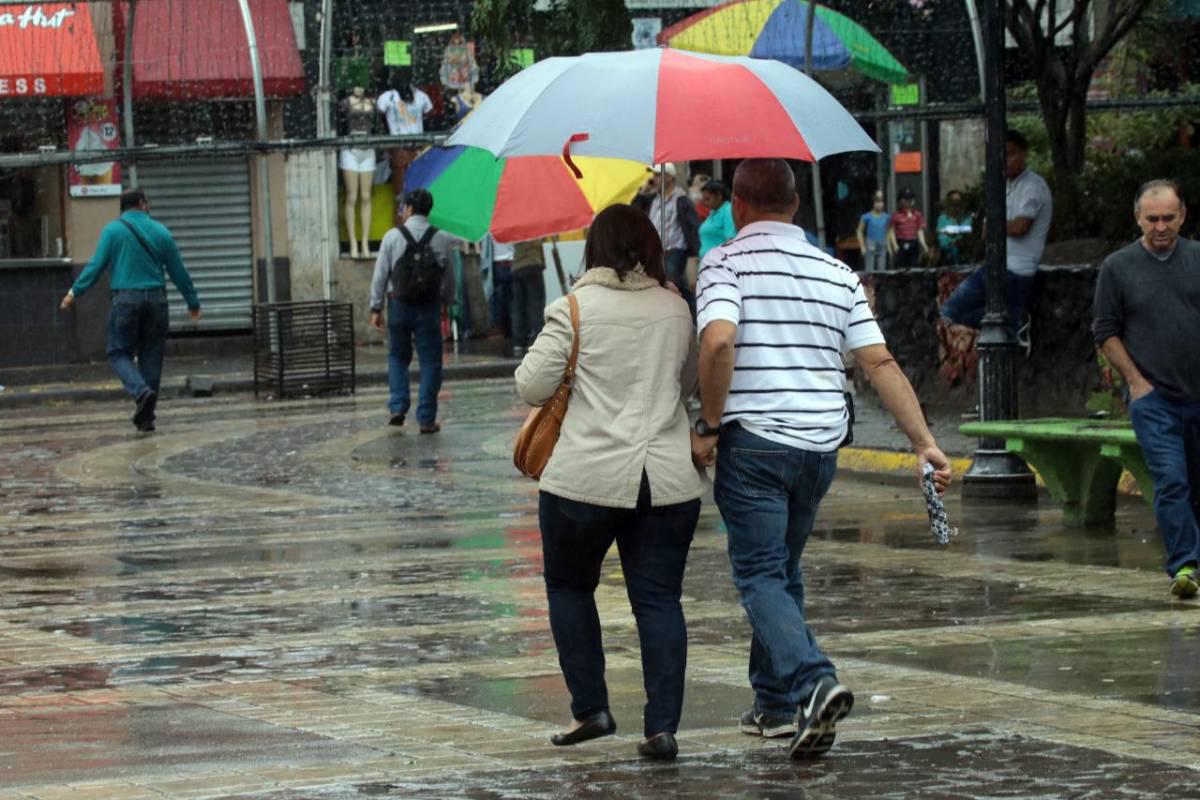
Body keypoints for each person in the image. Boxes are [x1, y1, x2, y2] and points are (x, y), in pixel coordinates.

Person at [692, 159, 952, 760]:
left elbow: (718, 340)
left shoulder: (724, 261)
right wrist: (923, 442)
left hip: (754, 443)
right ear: (795, 207)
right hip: (820, 447)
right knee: (780, 570)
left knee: (759, 574)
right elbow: (879, 363)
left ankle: (813, 681)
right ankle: (776, 705)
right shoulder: (836, 271)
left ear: (736, 204)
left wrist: (708, 422)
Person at [515, 204, 703, 762]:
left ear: (592, 250)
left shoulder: (573, 308)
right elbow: (688, 382)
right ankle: (661, 727)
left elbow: (530, 385)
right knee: (659, 601)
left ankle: (590, 707)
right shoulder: (677, 308)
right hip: (666, 484)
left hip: (582, 483)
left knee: (570, 588)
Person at [1093, 179, 1200, 599]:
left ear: (1183, 216)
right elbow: (1105, 331)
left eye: (1168, 218)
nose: (1160, 227)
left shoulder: (1196, 259)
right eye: (1152, 218)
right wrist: (1137, 383)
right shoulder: (1118, 268)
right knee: (1172, 480)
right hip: (1154, 400)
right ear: (1138, 218)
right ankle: (1185, 565)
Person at [59, 189, 201, 433]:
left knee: (117, 351)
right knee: (151, 355)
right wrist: (192, 302)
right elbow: (178, 271)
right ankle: (147, 418)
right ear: (142, 204)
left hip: (126, 300)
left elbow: (96, 266)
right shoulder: (161, 232)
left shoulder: (112, 231)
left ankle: (140, 392)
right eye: (148, 202)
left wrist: (74, 293)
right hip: (157, 300)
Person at [941, 130, 1052, 334]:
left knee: (955, 310)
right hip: (998, 266)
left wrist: (996, 225)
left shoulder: (1033, 186)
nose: (1006, 161)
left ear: (1023, 154)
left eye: (1010, 154)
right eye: (1002, 155)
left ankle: (1014, 320)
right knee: (951, 311)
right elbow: (986, 232)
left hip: (1017, 270)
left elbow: (1020, 227)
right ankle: (1014, 319)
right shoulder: (1003, 186)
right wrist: (997, 226)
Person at [369, 189, 457, 433]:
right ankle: (426, 419)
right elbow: (450, 276)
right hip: (429, 309)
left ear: (408, 208)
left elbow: (380, 275)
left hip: (399, 305)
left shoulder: (392, 237)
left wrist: (375, 307)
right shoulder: (441, 238)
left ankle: (398, 407)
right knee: (430, 362)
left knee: (397, 356)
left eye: (402, 207)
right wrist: (448, 303)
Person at [633, 163, 701, 314]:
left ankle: (692, 315)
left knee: (674, 286)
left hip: (674, 250)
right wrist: (643, 192)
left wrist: (694, 254)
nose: (654, 178)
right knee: (665, 287)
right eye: (654, 175)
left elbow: (693, 227)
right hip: (655, 251)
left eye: (658, 175)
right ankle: (684, 314)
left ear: (669, 177)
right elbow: (633, 212)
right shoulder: (652, 199)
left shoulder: (681, 200)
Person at [377, 72, 433, 200]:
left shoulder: (421, 97)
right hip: (399, 148)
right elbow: (380, 114)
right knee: (400, 194)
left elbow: (428, 115)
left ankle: (412, 217)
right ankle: (401, 218)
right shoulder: (388, 97)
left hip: (417, 148)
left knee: (419, 191)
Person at [510, 237, 547, 358]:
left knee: (518, 306)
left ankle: (518, 342)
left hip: (516, 266)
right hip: (533, 263)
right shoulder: (534, 225)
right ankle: (538, 338)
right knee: (536, 305)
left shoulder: (515, 225)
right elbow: (543, 238)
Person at [887, 188, 927, 268]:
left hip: (914, 241)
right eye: (906, 199)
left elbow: (919, 230)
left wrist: (923, 243)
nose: (909, 201)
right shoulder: (896, 216)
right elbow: (891, 231)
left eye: (911, 198)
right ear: (900, 201)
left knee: (915, 264)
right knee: (901, 265)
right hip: (901, 242)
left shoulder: (917, 215)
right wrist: (894, 244)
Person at [698, 179, 737, 259]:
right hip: (707, 262)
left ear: (719, 196)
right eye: (704, 200)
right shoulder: (713, 212)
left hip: (718, 264)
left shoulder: (728, 210)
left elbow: (730, 240)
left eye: (708, 199)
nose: (705, 203)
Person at [856, 190, 891, 273]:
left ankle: (880, 284)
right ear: (873, 202)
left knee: (881, 269)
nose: (879, 204)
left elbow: (889, 231)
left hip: (883, 243)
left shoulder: (887, 217)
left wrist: (889, 245)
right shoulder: (866, 217)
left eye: (881, 201)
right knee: (869, 269)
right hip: (870, 243)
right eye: (877, 201)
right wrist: (862, 246)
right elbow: (859, 231)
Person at [936, 190, 972, 266]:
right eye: (953, 202)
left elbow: (967, 229)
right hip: (946, 249)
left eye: (958, 202)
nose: (956, 205)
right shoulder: (942, 218)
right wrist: (952, 236)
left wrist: (948, 230)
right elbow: (940, 234)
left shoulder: (966, 217)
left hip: (963, 249)